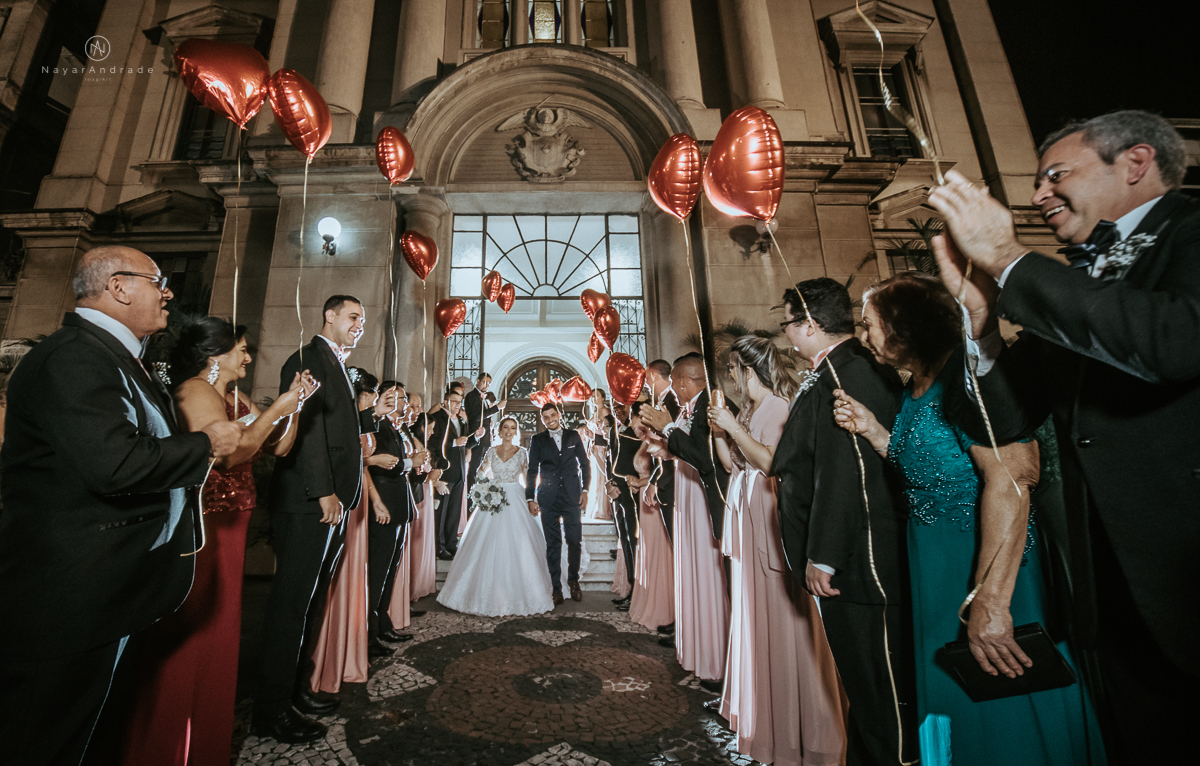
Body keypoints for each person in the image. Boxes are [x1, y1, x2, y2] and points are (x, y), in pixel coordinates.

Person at [927, 111, 1199, 763]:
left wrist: (1012, 260)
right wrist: (984, 322)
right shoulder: (1078, 278)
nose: (1038, 194)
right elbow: (1009, 421)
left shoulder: (1191, 233)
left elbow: (1173, 342)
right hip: (1110, 592)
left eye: (1056, 176)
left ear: (1134, 163)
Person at [834, 273, 1103, 765]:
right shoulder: (916, 385)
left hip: (988, 568)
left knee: (1003, 693)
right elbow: (937, 464)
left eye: (871, 325)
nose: (866, 336)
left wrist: (991, 601)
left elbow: (1015, 477)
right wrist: (876, 433)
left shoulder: (971, 378)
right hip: (935, 570)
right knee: (952, 693)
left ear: (906, 327)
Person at [0, 246, 240, 765]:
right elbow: (114, 463)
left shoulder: (109, 354)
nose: (169, 292)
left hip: (105, 589)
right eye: (158, 280)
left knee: (87, 734)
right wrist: (207, 445)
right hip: (70, 593)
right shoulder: (75, 356)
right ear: (119, 287)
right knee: (43, 740)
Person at [122, 318, 316, 766]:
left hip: (235, 522)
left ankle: (206, 737)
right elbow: (231, 454)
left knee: (222, 627)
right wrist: (276, 409)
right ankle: (171, 740)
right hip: (205, 525)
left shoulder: (234, 396)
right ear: (216, 355)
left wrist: (295, 406)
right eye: (242, 350)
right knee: (197, 627)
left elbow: (277, 448)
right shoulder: (194, 391)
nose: (248, 357)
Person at [768, 278, 917, 766]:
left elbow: (846, 473)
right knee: (864, 696)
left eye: (788, 322)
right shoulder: (833, 369)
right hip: (850, 567)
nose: (786, 332)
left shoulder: (850, 373)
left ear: (808, 325)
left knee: (883, 701)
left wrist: (823, 554)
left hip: (859, 567)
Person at [709, 335, 847, 766]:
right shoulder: (752, 409)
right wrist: (721, 432)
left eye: (734, 371)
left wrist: (731, 427)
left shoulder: (777, 408)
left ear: (749, 371)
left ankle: (803, 731)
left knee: (785, 621)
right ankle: (767, 721)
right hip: (749, 521)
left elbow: (771, 462)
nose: (732, 378)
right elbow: (735, 464)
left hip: (770, 521)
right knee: (757, 618)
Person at [254, 295, 365, 744]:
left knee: (312, 603)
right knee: (290, 609)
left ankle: (298, 691)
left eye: (362, 320)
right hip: (308, 501)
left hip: (330, 501)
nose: (359, 325)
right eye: (353, 317)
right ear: (330, 315)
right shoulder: (307, 358)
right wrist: (322, 489)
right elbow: (309, 429)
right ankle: (271, 711)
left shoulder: (335, 362)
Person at [639, 354, 730, 689]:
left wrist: (668, 429)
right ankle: (700, 652)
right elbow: (689, 449)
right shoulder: (692, 408)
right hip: (688, 500)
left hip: (705, 502)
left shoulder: (711, 406)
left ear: (686, 380)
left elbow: (706, 460)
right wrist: (668, 448)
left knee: (710, 579)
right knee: (693, 574)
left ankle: (717, 659)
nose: (674, 389)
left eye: (677, 381)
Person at [438, 417, 556, 615]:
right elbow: (480, 472)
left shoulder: (522, 453)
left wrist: (532, 499)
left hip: (515, 498)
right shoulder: (491, 451)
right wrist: (485, 488)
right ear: (499, 431)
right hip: (493, 498)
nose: (509, 431)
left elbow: (528, 478)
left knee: (520, 543)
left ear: (515, 431)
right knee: (485, 543)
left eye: (513, 428)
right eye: (505, 428)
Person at [368, 381, 427, 647]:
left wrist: (414, 462)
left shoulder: (398, 427)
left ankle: (383, 623)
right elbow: (378, 464)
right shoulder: (377, 425)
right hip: (384, 505)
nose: (405, 403)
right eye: (402, 398)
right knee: (379, 571)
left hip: (399, 506)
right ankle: (370, 632)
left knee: (390, 570)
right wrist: (408, 463)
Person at [526, 402, 591, 605]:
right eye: (546, 417)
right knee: (553, 544)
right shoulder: (537, 440)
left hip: (572, 497)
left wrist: (585, 490)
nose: (550, 419)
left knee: (574, 540)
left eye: (553, 415)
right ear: (543, 420)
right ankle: (556, 588)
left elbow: (585, 463)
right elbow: (532, 470)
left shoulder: (573, 436)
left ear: (559, 414)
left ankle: (573, 581)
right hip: (548, 498)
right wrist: (530, 497)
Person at [626, 402, 675, 632]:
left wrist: (641, 482)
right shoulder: (645, 440)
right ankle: (649, 601)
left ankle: (663, 607)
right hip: (646, 502)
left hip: (655, 503)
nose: (631, 426)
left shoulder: (655, 438)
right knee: (649, 554)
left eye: (634, 420)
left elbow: (663, 469)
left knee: (660, 555)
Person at [429, 387, 483, 559]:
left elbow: (465, 444)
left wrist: (476, 438)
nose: (457, 405)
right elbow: (433, 443)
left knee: (454, 511)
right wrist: (453, 442)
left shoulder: (461, 420)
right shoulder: (437, 419)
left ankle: (452, 544)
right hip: (445, 471)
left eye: (459, 402)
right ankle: (439, 546)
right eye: (454, 401)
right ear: (445, 401)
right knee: (442, 511)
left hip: (459, 471)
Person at [605, 401, 641, 605]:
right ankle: (630, 588)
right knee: (626, 541)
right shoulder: (614, 430)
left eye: (622, 408)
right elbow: (611, 460)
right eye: (615, 409)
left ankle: (637, 592)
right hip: (618, 493)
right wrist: (610, 483)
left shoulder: (638, 428)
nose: (618, 412)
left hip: (634, 492)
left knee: (635, 542)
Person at [405, 393, 438, 600]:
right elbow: (414, 473)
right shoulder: (414, 441)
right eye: (432, 428)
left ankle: (417, 586)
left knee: (420, 541)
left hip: (424, 492)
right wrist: (430, 476)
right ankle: (412, 587)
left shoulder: (418, 441)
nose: (433, 432)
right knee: (414, 543)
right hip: (417, 493)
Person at [463, 372, 506, 491]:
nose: (487, 386)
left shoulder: (484, 398)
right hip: (477, 438)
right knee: (475, 470)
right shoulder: (472, 396)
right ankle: (471, 495)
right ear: (478, 381)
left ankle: (480, 492)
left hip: (485, 439)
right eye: (485, 382)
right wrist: (497, 408)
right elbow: (477, 416)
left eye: (489, 384)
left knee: (483, 469)